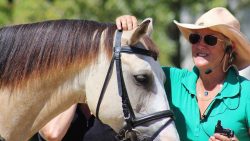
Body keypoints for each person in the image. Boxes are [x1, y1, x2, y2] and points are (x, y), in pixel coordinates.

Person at [115, 7, 250, 141]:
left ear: (229, 48)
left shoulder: (247, 93)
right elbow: (128, 68)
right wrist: (127, 29)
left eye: (210, 39)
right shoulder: (170, 79)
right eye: (195, 38)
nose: (200, 45)